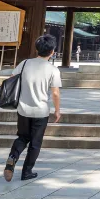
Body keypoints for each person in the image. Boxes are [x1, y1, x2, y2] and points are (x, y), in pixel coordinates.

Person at [4, 34, 62, 182]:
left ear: (37, 49)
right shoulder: (53, 70)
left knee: (22, 137)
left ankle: (12, 158)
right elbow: (55, 93)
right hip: (40, 111)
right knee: (35, 143)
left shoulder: (24, 64)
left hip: (23, 109)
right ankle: (27, 172)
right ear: (52, 51)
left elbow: (11, 79)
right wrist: (57, 110)